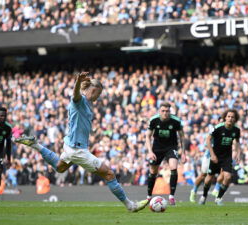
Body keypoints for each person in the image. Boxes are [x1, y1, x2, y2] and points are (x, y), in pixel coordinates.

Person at [14, 72, 148, 212]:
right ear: (93, 90)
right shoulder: (81, 100)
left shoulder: (88, 104)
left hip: (71, 145)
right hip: (77, 150)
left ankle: (36, 144)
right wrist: (78, 82)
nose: (99, 97)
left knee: (60, 167)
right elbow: (75, 96)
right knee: (109, 174)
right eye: (99, 93)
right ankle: (130, 206)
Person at [145, 102, 186, 205]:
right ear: (159, 111)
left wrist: (184, 153)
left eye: (167, 111)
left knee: (173, 167)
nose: (165, 113)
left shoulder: (176, 121)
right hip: (157, 148)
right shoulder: (154, 120)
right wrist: (150, 152)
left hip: (171, 147)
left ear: (170, 111)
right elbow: (147, 136)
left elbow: (182, 137)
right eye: (163, 111)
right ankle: (149, 196)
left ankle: (171, 196)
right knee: (153, 172)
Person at [199, 109, 241, 206]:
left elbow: (237, 142)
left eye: (232, 117)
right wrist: (212, 154)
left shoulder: (236, 130)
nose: (230, 119)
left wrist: (238, 153)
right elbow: (208, 140)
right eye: (228, 116)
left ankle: (218, 198)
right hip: (215, 156)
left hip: (227, 157)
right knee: (209, 178)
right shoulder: (217, 128)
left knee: (228, 176)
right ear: (225, 118)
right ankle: (204, 196)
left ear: (235, 119)